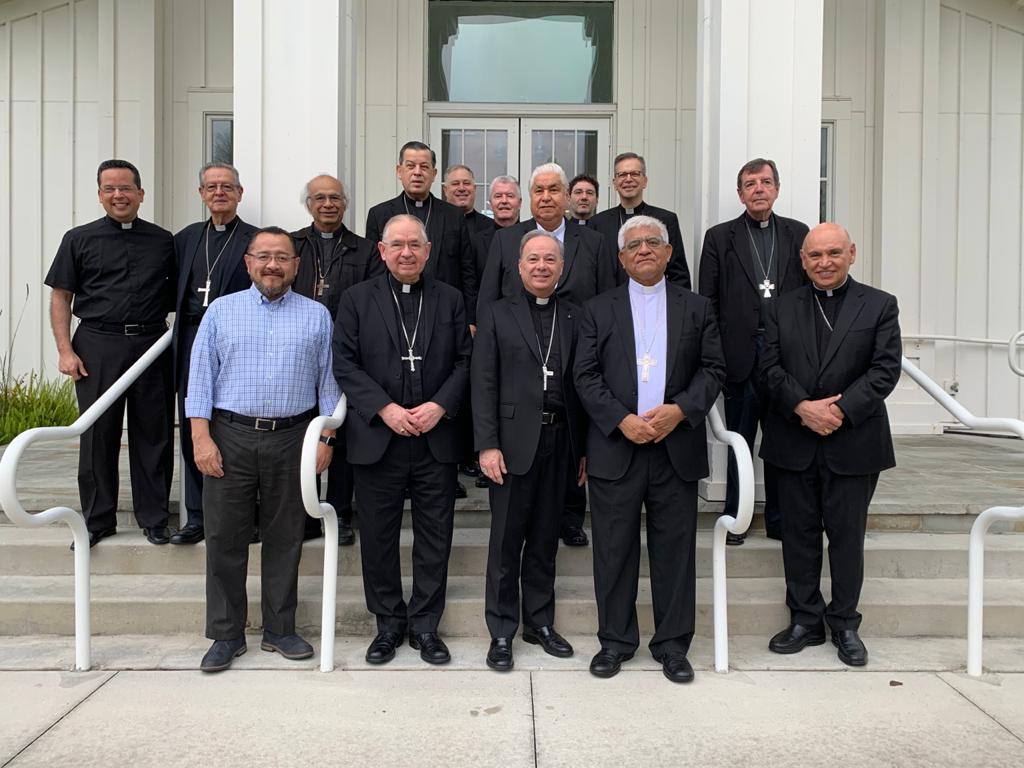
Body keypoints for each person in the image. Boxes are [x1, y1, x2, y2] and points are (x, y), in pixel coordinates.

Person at [574, 215, 725, 684]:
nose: (644, 249)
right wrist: (622, 419)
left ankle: (673, 646)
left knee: (675, 552)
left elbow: (714, 369)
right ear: (621, 258)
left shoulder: (696, 307)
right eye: (634, 244)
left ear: (668, 252)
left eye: (653, 242)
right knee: (613, 550)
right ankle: (615, 642)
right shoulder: (597, 309)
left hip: (674, 446)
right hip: (616, 447)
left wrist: (679, 411)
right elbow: (584, 374)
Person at [186, 226, 339, 672]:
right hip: (229, 435)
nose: (273, 265)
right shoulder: (221, 311)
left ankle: (280, 629)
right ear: (248, 262)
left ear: (296, 265)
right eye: (264, 256)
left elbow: (329, 382)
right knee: (223, 536)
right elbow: (199, 379)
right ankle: (226, 634)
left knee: (286, 535)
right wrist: (200, 438)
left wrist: (327, 437)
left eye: (282, 257)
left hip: (294, 437)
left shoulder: (317, 316)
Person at [759, 223, 901, 668]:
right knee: (798, 535)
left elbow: (884, 370)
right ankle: (805, 619)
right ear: (803, 261)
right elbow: (768, 368)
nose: (824, 263)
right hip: (793, 438)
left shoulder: (879, 305)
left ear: (851, 254)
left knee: (846, 538)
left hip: (854, 440)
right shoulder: (780, 307)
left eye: (833, 253)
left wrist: (838, 411)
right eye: (815, 255)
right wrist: (802, 407)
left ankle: (844, 623)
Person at [334, 214, 472, 666]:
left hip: (435, 438)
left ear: (428, 251)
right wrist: (384, 409)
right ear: (382, 251)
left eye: (415, 245)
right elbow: (345, 363)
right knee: (378, 536)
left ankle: (426, 625)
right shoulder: (356, 299)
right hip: (379, 436)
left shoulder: (450, 299)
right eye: (397, 245)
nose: (406, 253)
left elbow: (466, 361)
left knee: (435, 536)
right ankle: (389, 624)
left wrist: (440, 406)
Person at [478, 162, 615, 548]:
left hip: (577, 356)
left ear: (567, 196)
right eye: (539, 190)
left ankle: (571, 519)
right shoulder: (506, 239)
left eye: (554, 189)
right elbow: (488, 299)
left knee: (570, 448)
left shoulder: (594, 242)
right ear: (529, 197)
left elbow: (607, 297)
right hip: (519, 363)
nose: (546, 197)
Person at [44, 159, 175, 549]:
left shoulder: (164, 240)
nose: (119, 195)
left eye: (126, 188)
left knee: (154, 434)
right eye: (110, 189)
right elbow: (61, 297)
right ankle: (98, 520)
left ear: (141, 193)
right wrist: (65, 351)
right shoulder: (78, 239)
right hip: (97, 344)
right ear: (100, 195)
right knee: (97, 435)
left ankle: (154, 519)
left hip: (152, 344)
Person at [472, 231, 586, 671]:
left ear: (562, 268)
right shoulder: (497, 313)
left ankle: (539, 622)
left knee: (544, 539)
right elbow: (483, 382)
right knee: (506, 542)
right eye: (533, 259)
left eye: (550, 260)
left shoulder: (576, 315)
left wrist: (583, 450)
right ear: (519, 267)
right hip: (512, 444)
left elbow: (583, 385)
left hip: (561, 441)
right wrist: (487, 445)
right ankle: (502, 631)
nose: (541, 266)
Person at [698, 158, 809, 545]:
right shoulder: (719, 237)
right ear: (740, 193)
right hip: (740, 356)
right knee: (738, 441)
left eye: (765, 182)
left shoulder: (798, 233)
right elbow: (708, 303)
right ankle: (736, 517)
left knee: (782, 442)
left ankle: (780, 520)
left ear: (777, 188)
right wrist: (715, 357)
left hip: (785, 356)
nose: (758, 189)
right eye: (750, 184)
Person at [365, 141, 475, 500]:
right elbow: (374, 270)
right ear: (399, 171)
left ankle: (444, 470)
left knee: (443, 383)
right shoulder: (380, 213)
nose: (417, 172)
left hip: (442, 313)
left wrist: (470, 318)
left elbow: (466, 269)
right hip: (394, 313)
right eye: (410, 165)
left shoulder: (453, 215)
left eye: (424, 166)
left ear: (434, 173)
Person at [171, 163, 257, 545]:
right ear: (201, 194)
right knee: (194, 423)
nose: (219, 192)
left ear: (240, 193)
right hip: (191, 338)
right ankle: (197, 516)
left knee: (237, 429)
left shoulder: (255, 239)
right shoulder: (186, 238)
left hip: (239, 342)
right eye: (211, 187)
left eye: (227, 186)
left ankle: (245, 516)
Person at [292, 174, 376, 546]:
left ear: (345, 204)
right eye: (320, 198)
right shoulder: (293, 245)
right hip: (299, 353)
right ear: (309, 204)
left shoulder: (365, 250)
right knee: (302, 430)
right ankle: (304, 514)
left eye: (335, 198)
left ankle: (340, 512)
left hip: (348, 352)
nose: (328, 204)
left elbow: (373, 301)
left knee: (343, 434)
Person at [590, 152, 690, 288]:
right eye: (622, 175)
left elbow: (679, 275)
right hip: (609, 299)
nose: (628, 179)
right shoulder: (598, 223)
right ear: (614, 183)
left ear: (645, 181)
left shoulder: (666, 219)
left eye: (635, 174)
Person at [467, 175, 523, 328]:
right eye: (498, 196)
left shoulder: (531, 239)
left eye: (510, 196)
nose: (504, 201)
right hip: (486, 321)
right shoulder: (475, 242)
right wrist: (472, 321)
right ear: (490, 204)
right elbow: (470, 285)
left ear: (520, 203)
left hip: (523, 319)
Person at [443, 164, 496, 237]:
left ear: (474, 188)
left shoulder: (491, 227)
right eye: (455, 184)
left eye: (466, 183)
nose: (461, 188)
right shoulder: (434, 224)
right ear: (445, 190)